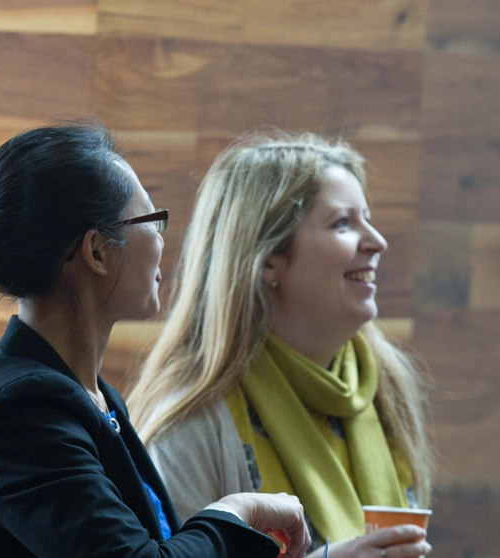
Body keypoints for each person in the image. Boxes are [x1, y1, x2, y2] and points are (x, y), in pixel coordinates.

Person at [0, 122, 310, 557]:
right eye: (151, 220)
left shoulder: (86, 395)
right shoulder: (20, 408)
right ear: (96, 252)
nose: (161, 239)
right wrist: (235, 513)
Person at [126, 132, 434, 558]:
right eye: (343, 223)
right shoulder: (188, 426)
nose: (377, 241)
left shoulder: (387, 385)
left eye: (367, 217)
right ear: (268, 258)